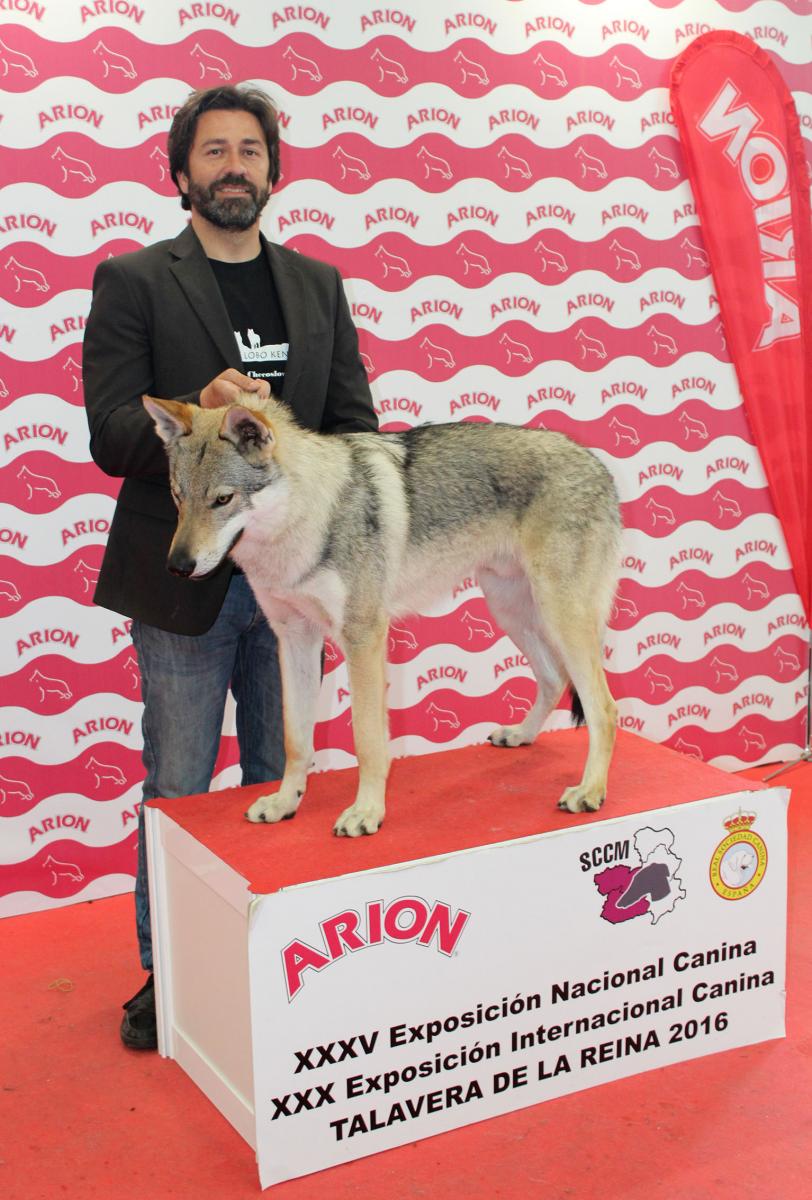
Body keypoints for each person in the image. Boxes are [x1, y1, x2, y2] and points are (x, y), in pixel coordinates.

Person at [82, 84, 378, 1050]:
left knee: (279, 769)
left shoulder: (318, 283)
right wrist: (197, 408)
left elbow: (355, 431)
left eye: (249, 150)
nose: (233, 166)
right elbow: (112, 433)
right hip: (185, 581)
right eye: (212, 152)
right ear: (180, 174)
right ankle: (165, 975)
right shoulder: (134, 279)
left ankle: (279, 964)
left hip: (297, 576)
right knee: (177, 784)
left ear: (273, 169)